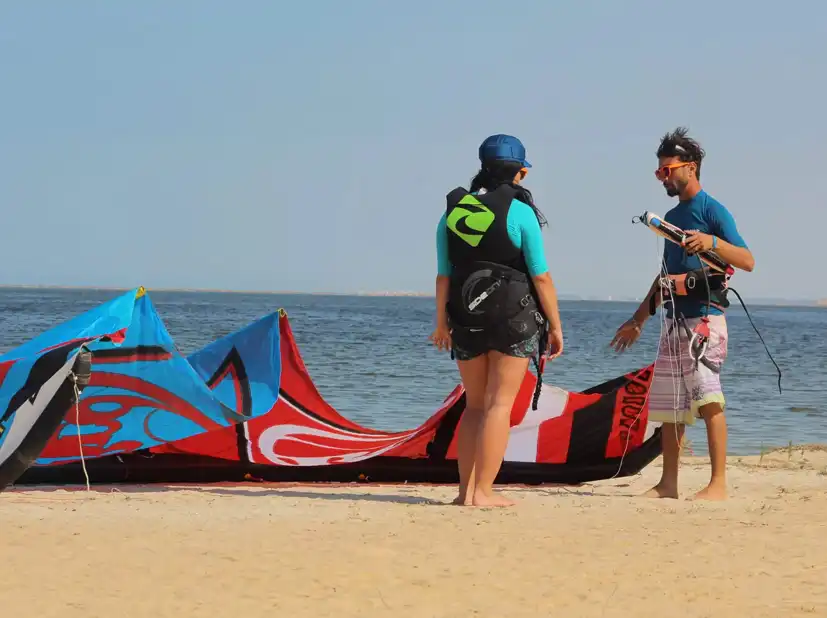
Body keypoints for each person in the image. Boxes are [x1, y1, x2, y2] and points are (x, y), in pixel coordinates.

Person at [610, 127, 754, 501]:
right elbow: (664, 280)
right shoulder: (671, 217)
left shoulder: (712, 210)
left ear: (690, 168)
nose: (663, 178)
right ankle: (668, 484)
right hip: (672, 322)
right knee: (670, 408)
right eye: (658, 172)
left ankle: (718, 485)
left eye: (667, 170)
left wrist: (713, 242)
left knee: (708, 401)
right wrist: (638, 319)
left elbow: (748, 260)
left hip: (705, 321)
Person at [429, 134, 564, 508]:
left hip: (464, 316)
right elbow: (541, 276)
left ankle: (464, 492)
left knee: (473, 405)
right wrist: (555, 326)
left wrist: (441, 323)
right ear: (520, 173)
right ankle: (483, 493)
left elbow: (444, 275)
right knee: (498, 405)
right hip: (513, 317)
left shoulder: (453, 212)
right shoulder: (520, 211)